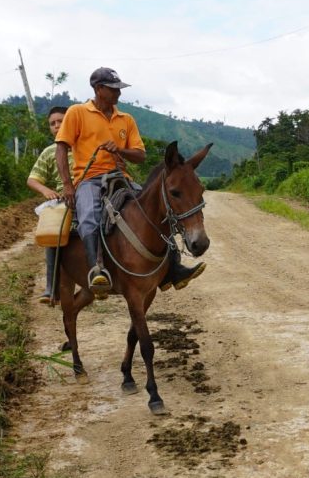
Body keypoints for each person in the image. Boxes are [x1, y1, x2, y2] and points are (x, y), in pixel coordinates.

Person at [55, 67, 205, 297]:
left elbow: (140, 155)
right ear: (98, 89)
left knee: (157, 209)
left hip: (121, 178)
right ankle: (98, 269)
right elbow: (61, 148)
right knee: (88, 216)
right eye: (113, 89)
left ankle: (173, 268)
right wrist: (67, 185)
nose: (118, 94)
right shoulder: (77, 112)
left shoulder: (126, 119)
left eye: (119, 89)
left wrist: (121, 151)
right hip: (89, 179)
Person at [27, 106, 73, 304]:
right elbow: (32, 179)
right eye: (52, 123)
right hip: (63, 200)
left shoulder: (84, 145)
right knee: (51, 232)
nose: (56, 126)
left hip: (90, 193)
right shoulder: (49, 152)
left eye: (61, 121)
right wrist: (46, 191)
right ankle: (51, 287)